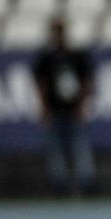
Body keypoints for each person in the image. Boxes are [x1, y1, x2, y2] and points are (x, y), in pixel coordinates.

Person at [33, 17, 96, 196]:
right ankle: (59, 186)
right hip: (55, 110)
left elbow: (86, 81)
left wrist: (83, 105)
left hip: (73, 109)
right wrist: (44, 108)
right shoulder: (46, 58)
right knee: (56, 150)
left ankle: (86, 185)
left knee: (79, 147)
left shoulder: (76, 55)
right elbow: (41, 85)